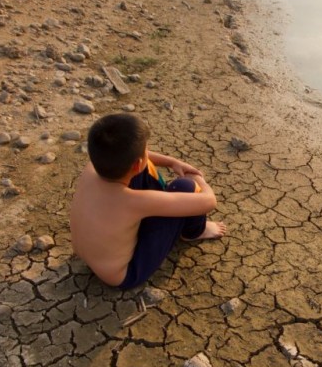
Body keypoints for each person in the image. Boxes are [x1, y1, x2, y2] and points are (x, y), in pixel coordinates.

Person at [70, 113, 226, 288]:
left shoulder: (92, 168)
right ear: (137, 163)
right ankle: (195, 231)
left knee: (137, 168)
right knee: (185, 186)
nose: (147, 152)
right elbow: (209, 201)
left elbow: (136, 158)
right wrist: (199, 179)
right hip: (125, 274)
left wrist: (172, 162)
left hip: (89, 256)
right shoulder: (134, 202)